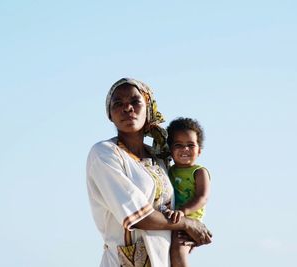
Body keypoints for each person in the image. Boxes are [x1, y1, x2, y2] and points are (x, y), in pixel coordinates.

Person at [86, 78, 212, 267]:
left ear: (149, 107)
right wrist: (187, 224)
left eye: (135, 101)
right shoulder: (104, 153)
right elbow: (140, 216)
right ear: (110, 115)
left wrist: (188, 233)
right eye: (118, 103)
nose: (127, 108)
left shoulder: (159, 158)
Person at [165, 117, 211, 267]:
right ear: (170, 150)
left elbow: (202, 197)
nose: (185, 149)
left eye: (190, 145)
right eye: (179, 145)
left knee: (178, 250)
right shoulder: (168, 170)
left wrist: (183, 211)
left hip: (190, 220)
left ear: (199, 151)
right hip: (173, 219)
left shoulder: (199, 172)